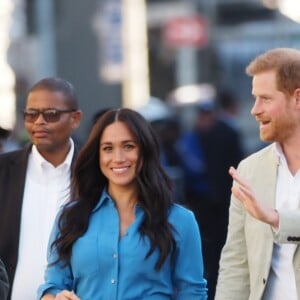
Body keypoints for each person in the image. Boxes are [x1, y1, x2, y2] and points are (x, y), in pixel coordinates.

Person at [37, 108, 207, 299]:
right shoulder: (70, 218)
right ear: (98, 155)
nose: (118, 158)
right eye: (108, 148)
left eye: (128, 146)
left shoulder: (180, 221)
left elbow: (192, 293)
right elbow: (52, 286)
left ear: (145, 151)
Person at [215, 47, 300, 300]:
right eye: (254, 98)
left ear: (297, 99)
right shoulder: (249, 170)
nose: (254, 109)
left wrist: (275, 218)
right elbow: (236, 263)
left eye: (265, 98)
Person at [0, 77, 82, 300]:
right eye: (31, 114)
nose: (39, 122)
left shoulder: (94, 172)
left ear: (75, 118)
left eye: (51, 114)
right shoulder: (4, 171)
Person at [176, 97, 244, 300]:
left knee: (221, 251)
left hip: (222, 203)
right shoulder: (197, 136)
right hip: (205, 204)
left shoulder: (221, 133)